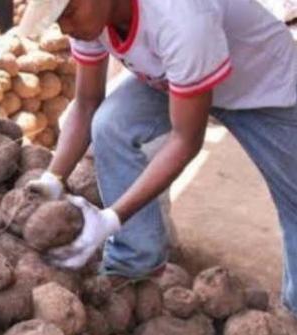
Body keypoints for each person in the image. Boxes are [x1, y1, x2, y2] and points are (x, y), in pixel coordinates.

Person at [19, 0, 297, 316]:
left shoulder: (180, 17)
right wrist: (52, 179)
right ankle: (135, 261)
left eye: (68, 14)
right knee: (111, 124)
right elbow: (86, 103)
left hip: (262, 87)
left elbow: (187, 141)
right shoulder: (90, 19)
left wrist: (111, 218)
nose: (66, 27)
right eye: (58, 19)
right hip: (177, 79)